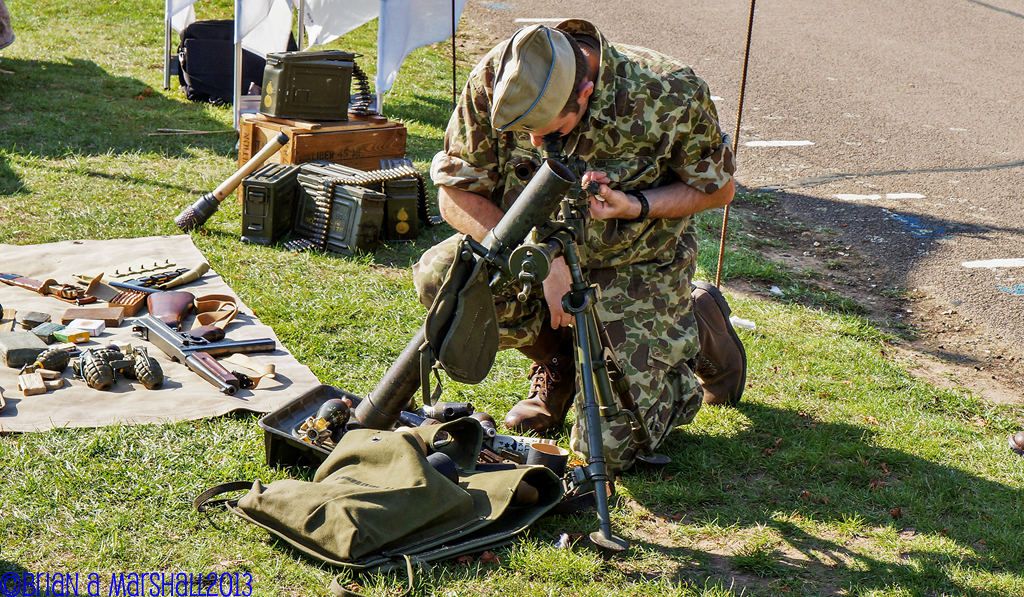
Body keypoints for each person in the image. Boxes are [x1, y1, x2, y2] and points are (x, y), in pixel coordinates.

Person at [414, 19, 747, 471]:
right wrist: (541, 259)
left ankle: (697, 323)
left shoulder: (669, 90)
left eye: (548, 132)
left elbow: (718, 189)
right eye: (523, 131)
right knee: (444, 273)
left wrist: (635, 205)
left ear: (585, 93)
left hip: (636, 265)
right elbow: (454, 192)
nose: (534, 143)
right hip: (537, 259)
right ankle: (562, 364)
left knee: (607, 454)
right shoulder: (499, 76)